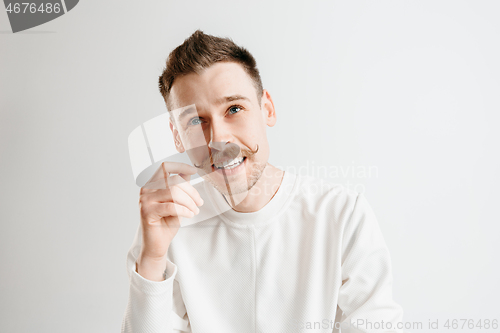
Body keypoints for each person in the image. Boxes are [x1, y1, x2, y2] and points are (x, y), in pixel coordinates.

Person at [122, 30, 405, 333]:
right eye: (195, 121)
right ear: (176, 135)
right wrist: (151, 259)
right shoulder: (169, 226)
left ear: (266, 108)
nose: (218, 140)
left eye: (234, 109)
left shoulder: (342, 214)